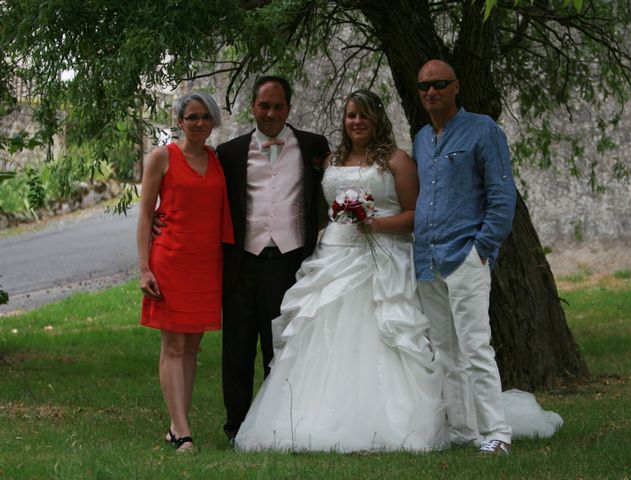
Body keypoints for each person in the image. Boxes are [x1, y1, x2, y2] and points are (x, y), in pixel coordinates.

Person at [234, 89, 450, 452]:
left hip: (381, 259)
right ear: (344, 121)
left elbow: (416, 217)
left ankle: (389, 420)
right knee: (323, 331)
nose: (357, 122)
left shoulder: (397, 161)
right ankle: (313, 418)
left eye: (364, 115)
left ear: (377, 119)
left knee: (378, 335)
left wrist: (375, 224)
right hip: (334, 254)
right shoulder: (333, 158)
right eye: (351, 115)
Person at [215, 76, 331, 442]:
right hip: (242, 262)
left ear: (289, 109)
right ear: (252, 107)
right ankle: (236, 428)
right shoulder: (230, 152)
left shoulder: (314, 146)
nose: (270, 113)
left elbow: (329, 194)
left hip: (289, 260)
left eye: (278, 106)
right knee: (237, 349)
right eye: (264, 105)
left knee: (280, 346)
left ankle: (276, 425)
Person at [412, 59, 517, 454]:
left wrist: (482, 249)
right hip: (428, 260)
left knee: (475, 347)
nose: (431, 92)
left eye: (439, 84)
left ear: (456, 87)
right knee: (445, 352)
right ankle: (462, 429)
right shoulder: (422, 137)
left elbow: (503, 196)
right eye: (424, 87)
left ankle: (497, 433)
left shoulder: (483, 130)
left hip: (465, 256)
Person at [137, 92, 233, 452]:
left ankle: (177, 423)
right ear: (178, 121)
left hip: (207, 262)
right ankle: (182, 430)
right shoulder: (161, 157)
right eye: (191, 117)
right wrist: (143, 267)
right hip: (171, 260)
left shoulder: (217, 159)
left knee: (193, 344)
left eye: (205, 117)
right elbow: (147, 215)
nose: (198, 123)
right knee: (173, 343)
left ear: (213, 122)